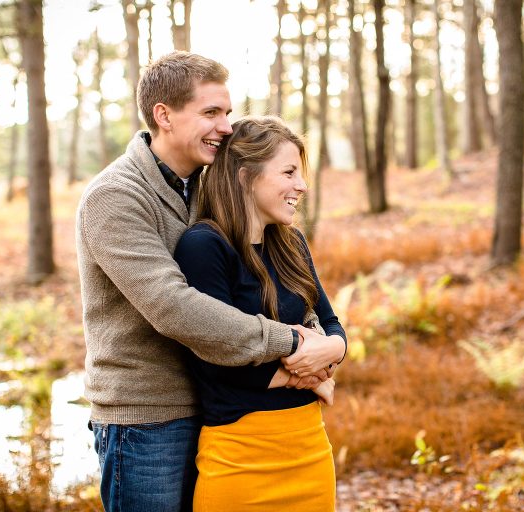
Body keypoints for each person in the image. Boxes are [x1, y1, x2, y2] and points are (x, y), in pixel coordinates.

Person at [75, 52, 345, 512]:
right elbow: (172, 305)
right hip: (147, 417)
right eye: (211, 112)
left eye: (227, 112)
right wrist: (295, 346)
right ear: (164, 115)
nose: (225, 126)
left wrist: (328, 349)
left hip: (216, 410)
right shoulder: (114, 197)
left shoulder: (207, 185)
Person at [174, 115, 347, 511]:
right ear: (244, 176)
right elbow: (216, 363)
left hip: (309, 449)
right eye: (288, 172)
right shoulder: (204, 246)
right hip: (239, 457)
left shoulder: (292, 243)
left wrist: (333, 349)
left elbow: (333, 324)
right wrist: (310, 373)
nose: (301, 185)